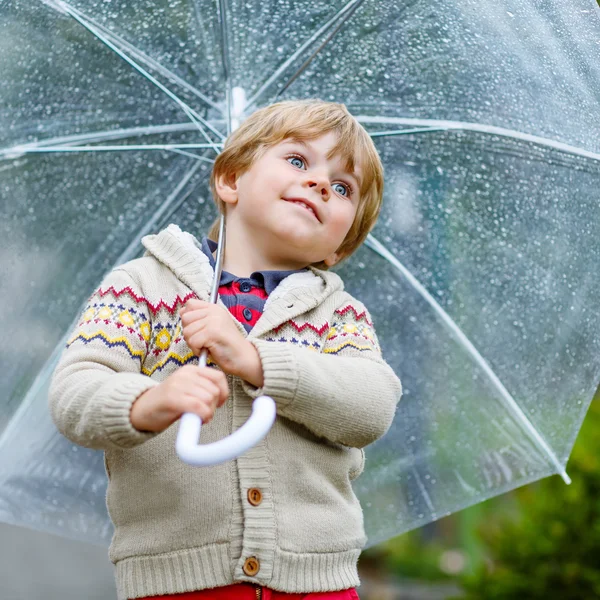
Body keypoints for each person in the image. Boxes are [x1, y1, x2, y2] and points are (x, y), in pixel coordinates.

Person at [49, 99, 402, 600]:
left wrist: (258, 362)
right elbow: (76, 390)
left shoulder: (339, 316)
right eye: (299, 161)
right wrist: (151, 402)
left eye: (343, 187)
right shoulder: (143, 287)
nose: (321, 183)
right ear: (231, 181)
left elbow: (370, 407)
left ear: (338, 247)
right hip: (179, 583)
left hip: (315, 585)